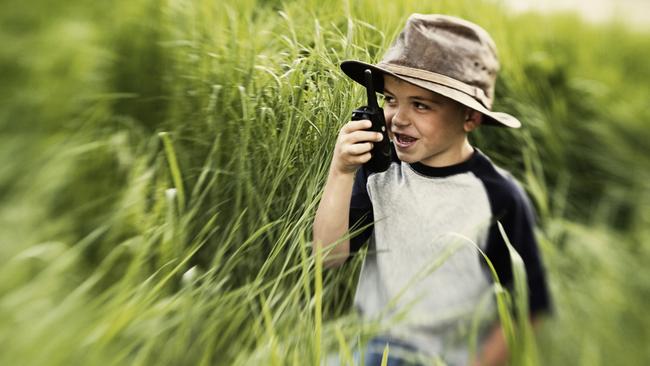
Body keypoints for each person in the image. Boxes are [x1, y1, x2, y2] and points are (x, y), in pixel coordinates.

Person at [312, 14, 551, 366]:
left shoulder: (498, 196)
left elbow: (526, 308)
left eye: (421, 105)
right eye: (391, 100)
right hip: (373, 345)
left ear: (470, 118)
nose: (398, 118)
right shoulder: (379, 170)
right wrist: (341, 171)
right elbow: (327, 257)